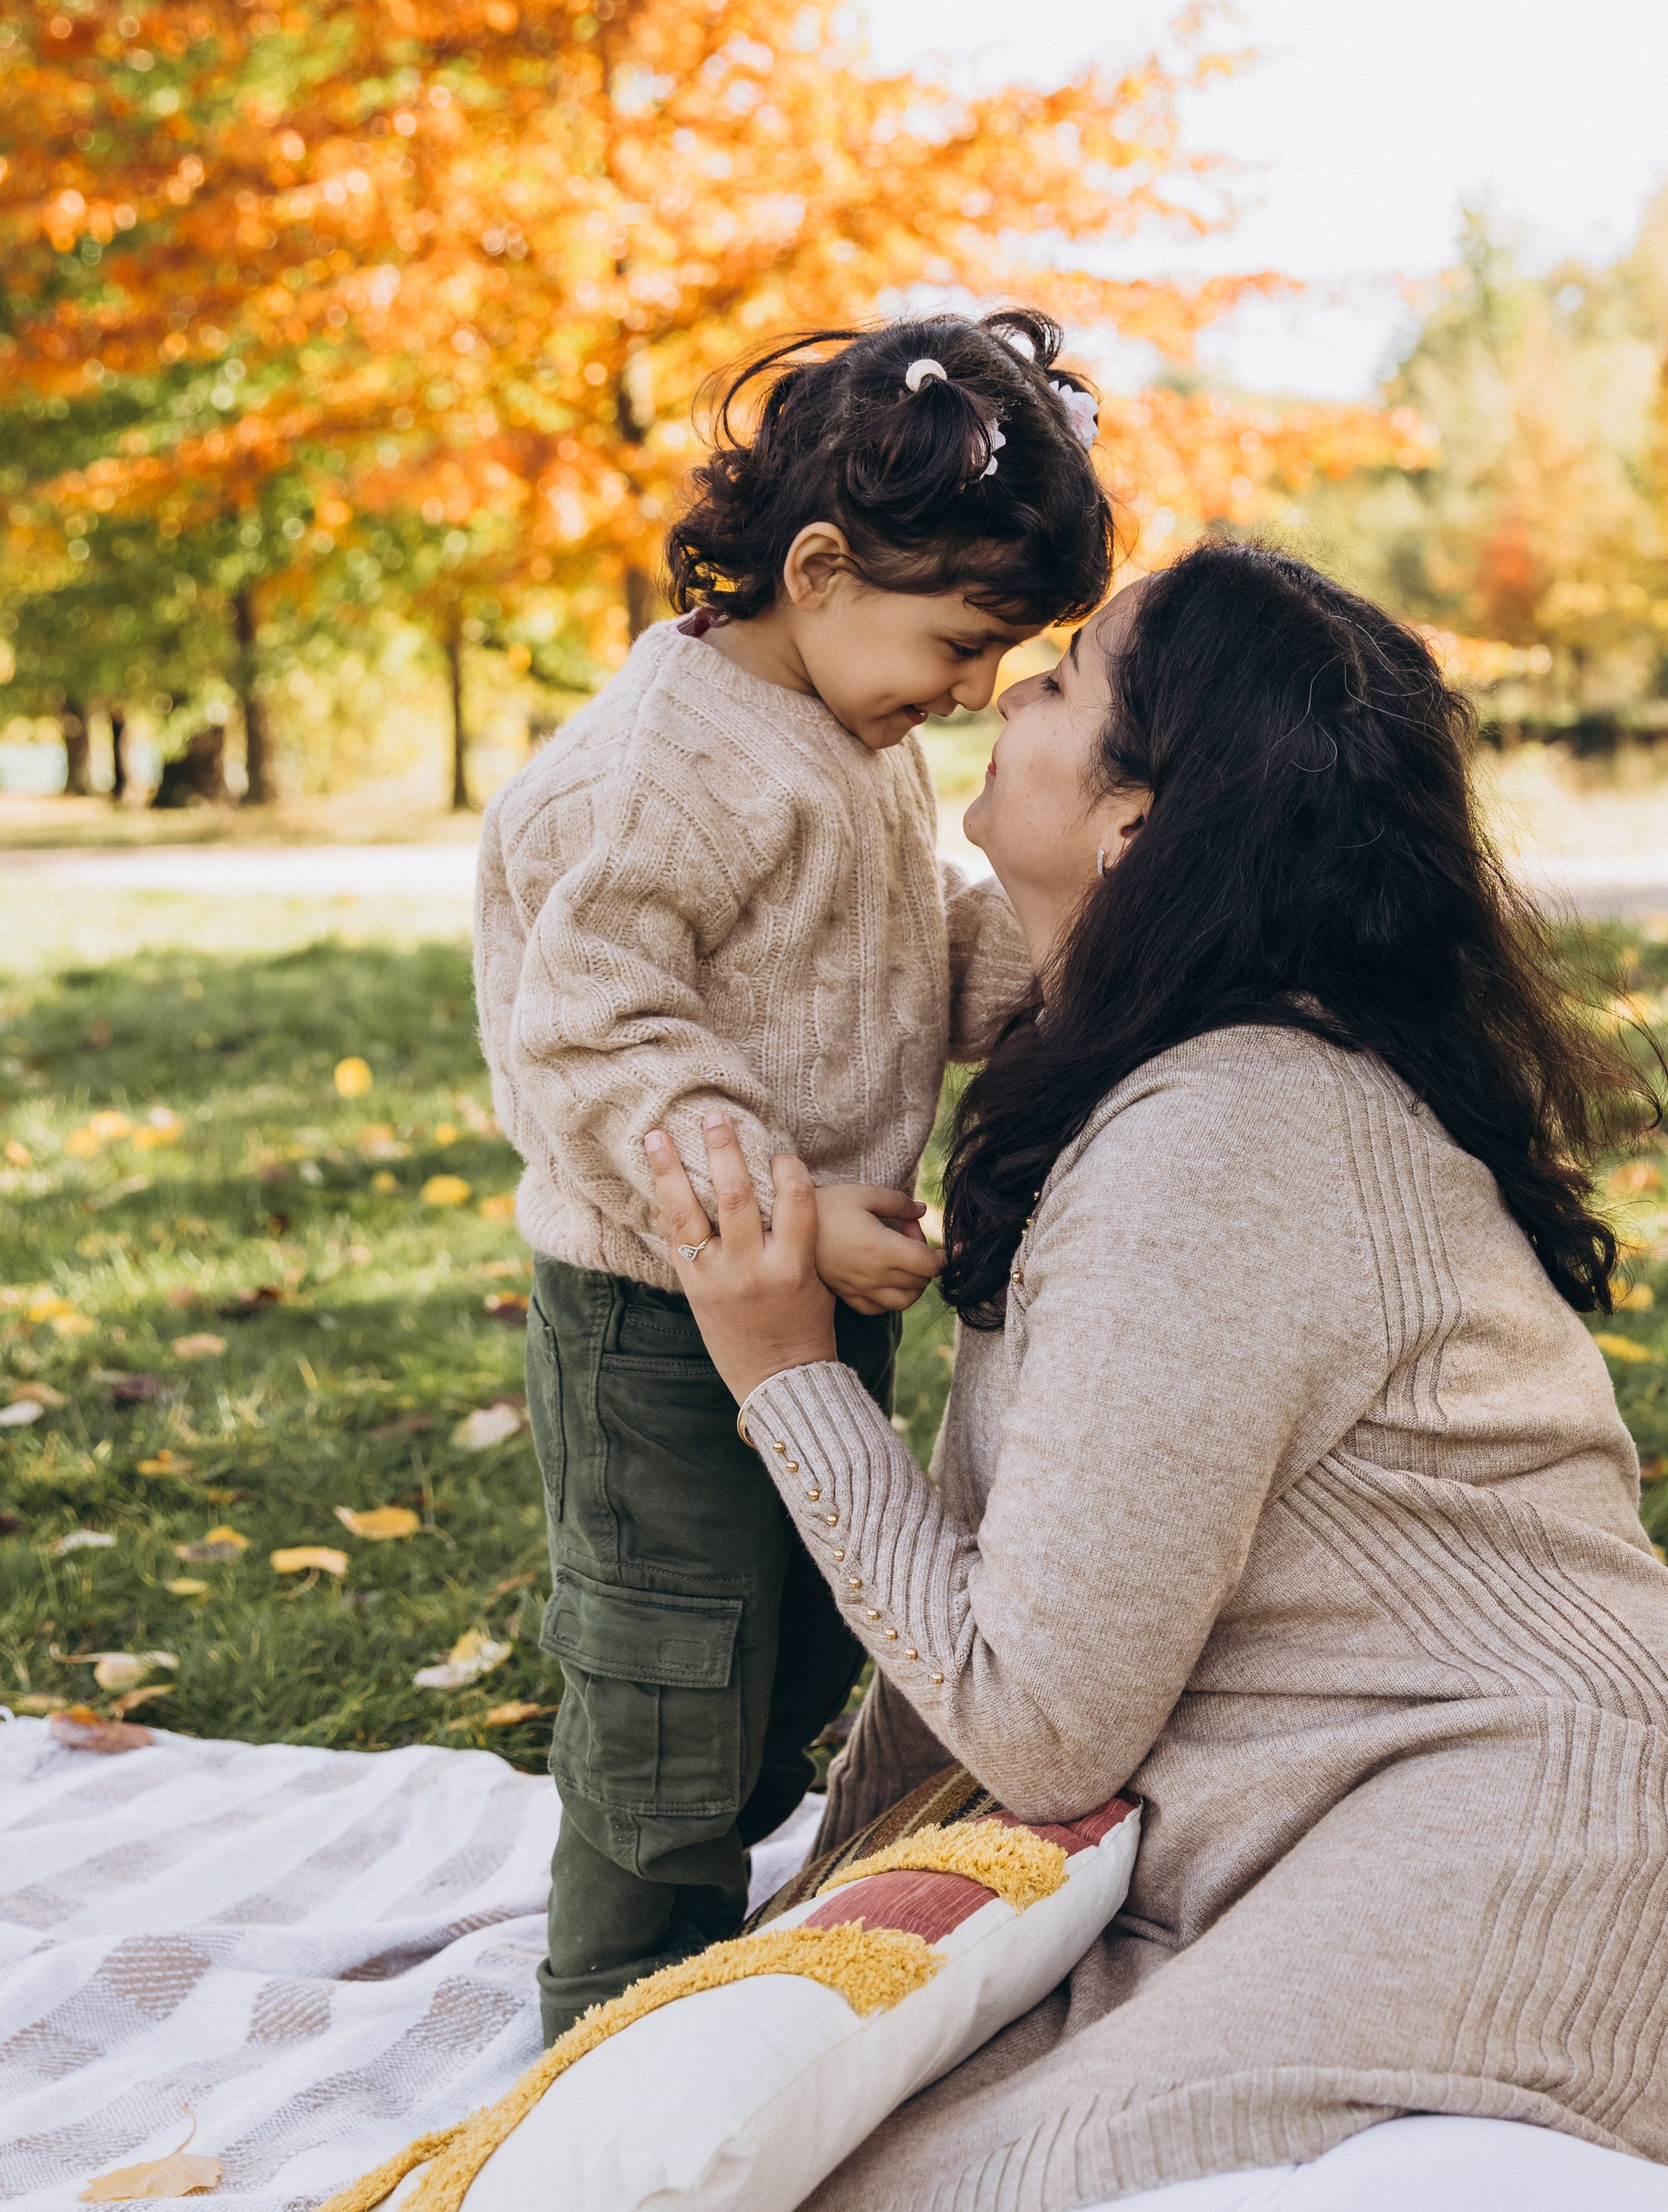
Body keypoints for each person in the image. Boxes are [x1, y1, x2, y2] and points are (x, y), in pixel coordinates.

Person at [640, 538, 1668, 2208]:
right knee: (745, 2151)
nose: (1006, 686)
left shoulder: (1227, 1133)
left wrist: (783, 1373)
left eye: (1064, 680)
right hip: (1275, 1854)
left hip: (1552, 1868)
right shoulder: (1161, 1079)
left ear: (1133, 827)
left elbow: (1040, 1723)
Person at [473, 308, 1113, 2043]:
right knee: (670, 1670)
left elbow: (896, 965)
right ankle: (607, 2011)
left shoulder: (850, 732)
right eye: (959, 642)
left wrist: (1068, 957)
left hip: (805, 1291)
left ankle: (710, 1896)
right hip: (658, 1310)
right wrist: (789, 1209)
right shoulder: (656, 768)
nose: (973, 690)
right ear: (817, 566)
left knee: (798, 1650)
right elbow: (596, 1038)